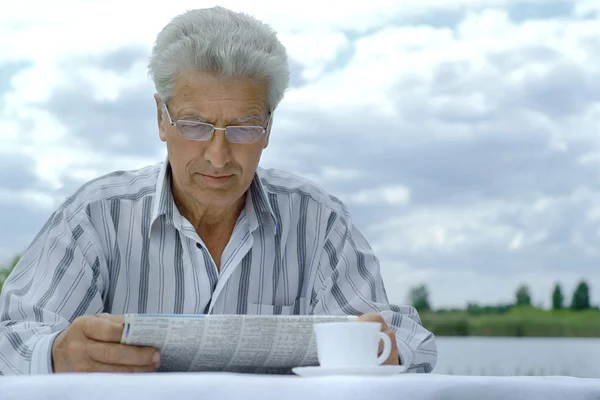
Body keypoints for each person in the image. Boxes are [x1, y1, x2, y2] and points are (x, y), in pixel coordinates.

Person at [0, 6, 437, 375]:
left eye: (244, 128)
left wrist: (386, 349)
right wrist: (56, 354)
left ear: (268, 129)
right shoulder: (96, 217)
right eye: (193, 125)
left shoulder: (319, 222)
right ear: (160, 119)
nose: (218, 155)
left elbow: (411, 343)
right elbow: (12, 337)